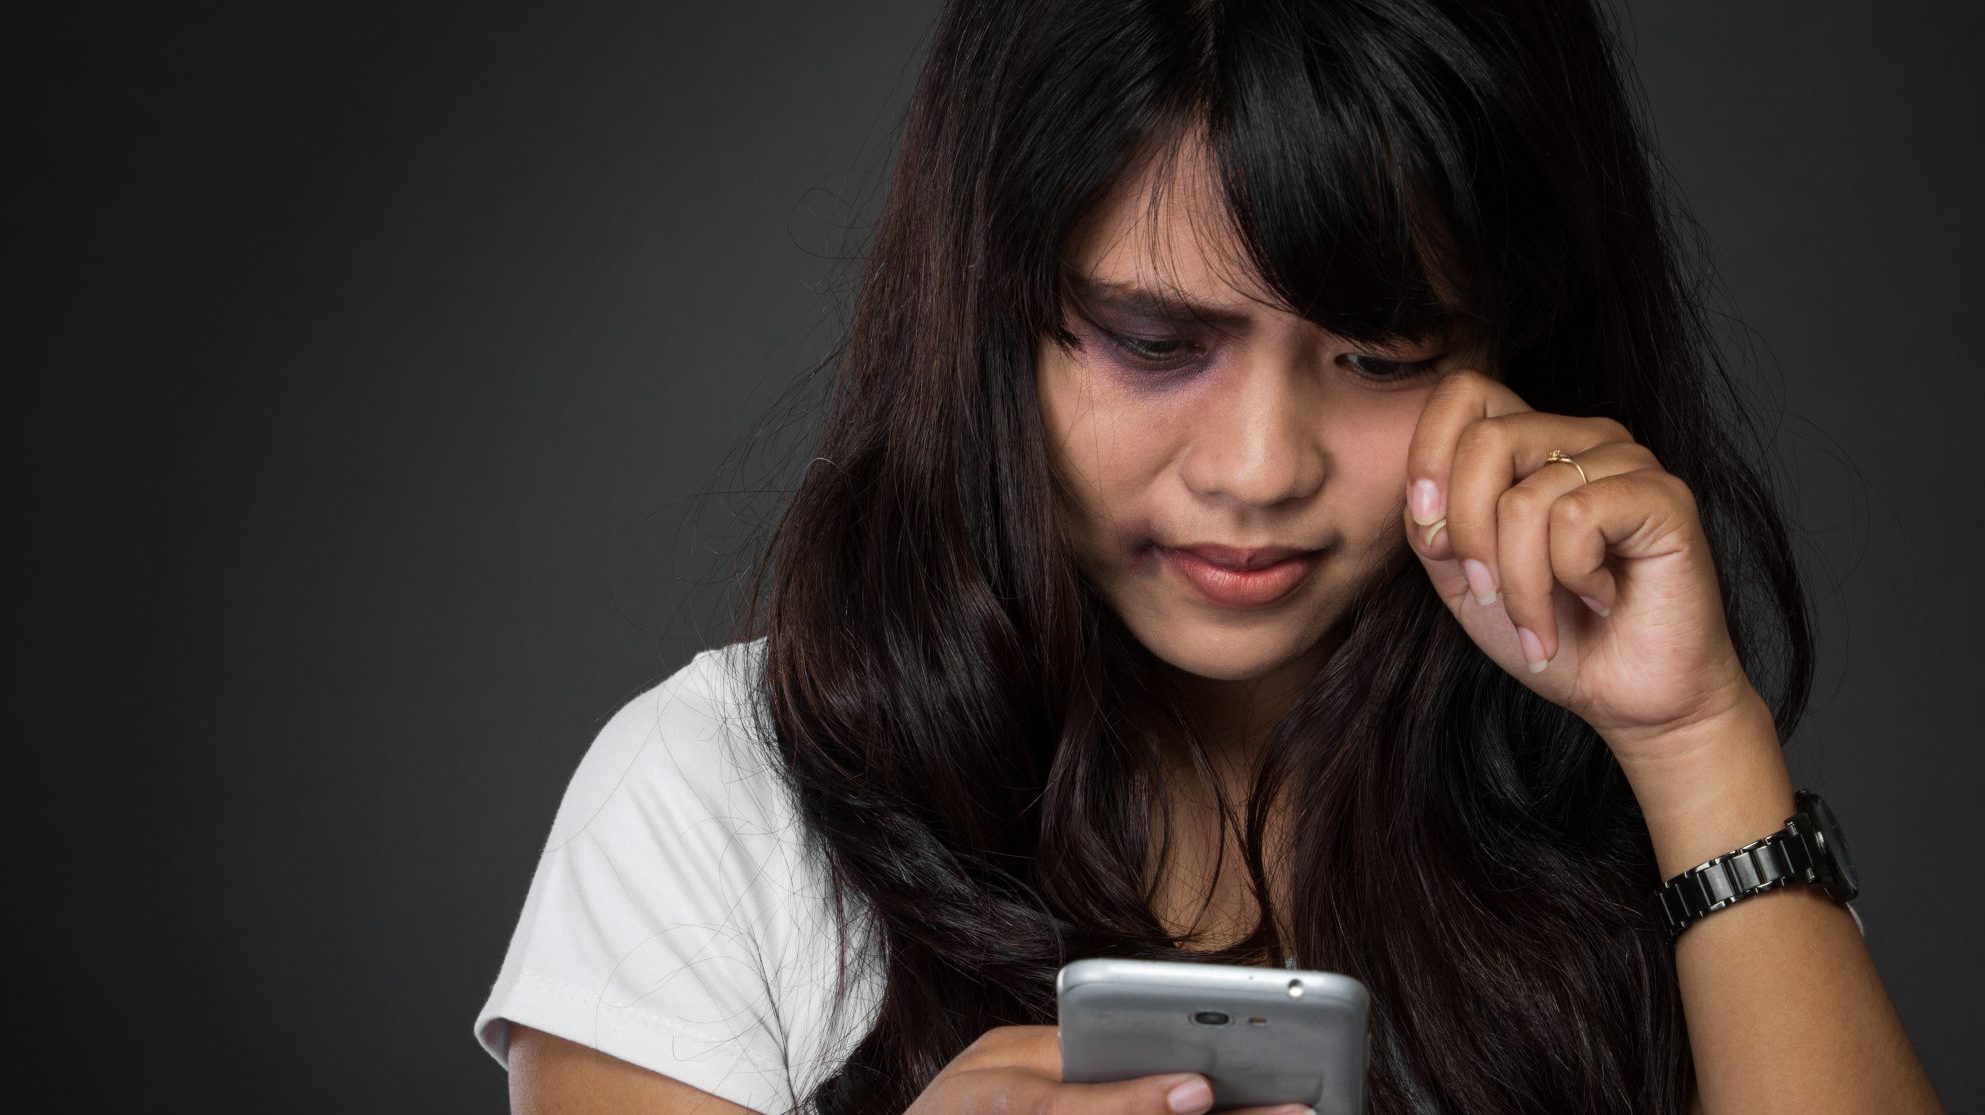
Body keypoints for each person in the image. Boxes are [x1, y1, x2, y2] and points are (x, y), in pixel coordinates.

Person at [474, 1, 1946, 1112]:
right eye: (1154, 342)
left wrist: (1693, 741)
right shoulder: (719, 802)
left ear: (1514, 347)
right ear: (990, 317)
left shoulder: (1641, 802)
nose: (1257, 470)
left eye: (1378, 355)